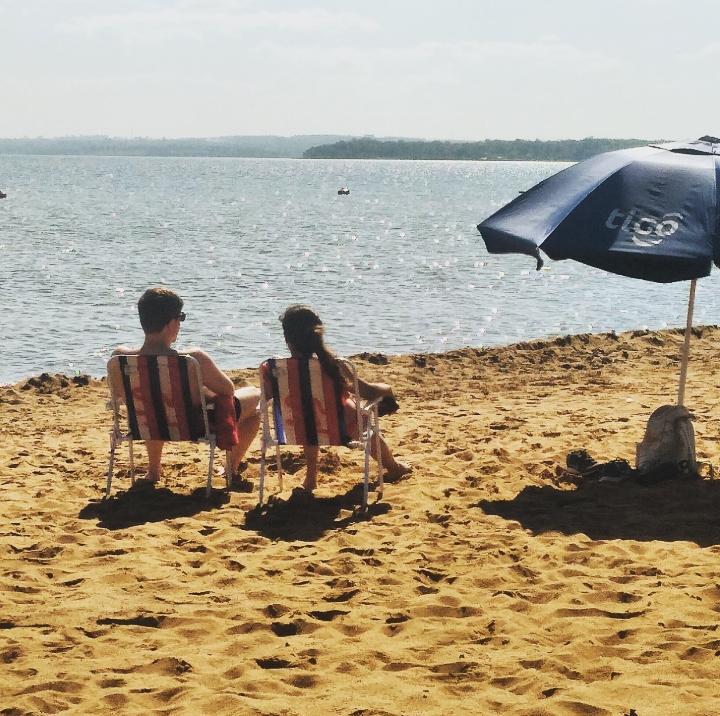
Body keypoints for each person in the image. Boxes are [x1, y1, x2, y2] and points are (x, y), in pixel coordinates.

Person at [111, 287, 260, 484]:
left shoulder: (120, 357)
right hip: (192, 427)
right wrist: (200, 390)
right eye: (180, 318)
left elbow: (121, 396)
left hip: (145, 425)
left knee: (151, 404)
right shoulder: (192, 359)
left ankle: (153, 472)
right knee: (255, 399)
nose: (180, 324)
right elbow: (227, 390)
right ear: (171, 323)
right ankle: (230, 468)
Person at [279, 303, 411, 493]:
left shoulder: (277, 368)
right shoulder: (334, 365)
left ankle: (310, 479)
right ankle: (393, 467)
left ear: (287, 338)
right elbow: (368, 391)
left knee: (308, 415)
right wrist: (387, 389)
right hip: (341, 429)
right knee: (364, 422)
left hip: (300, 429)